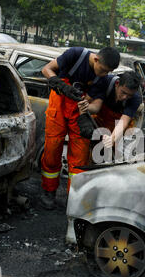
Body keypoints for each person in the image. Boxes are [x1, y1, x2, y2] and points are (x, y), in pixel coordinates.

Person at [39, 46, 120, 210]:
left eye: (108, 72)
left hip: (79, 113)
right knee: (52, 149)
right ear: (96, 59)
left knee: (79, 157)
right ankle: (49, 191)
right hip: (59, 105)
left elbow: (96, 105)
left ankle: (74, 196)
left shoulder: (102, 78)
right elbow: (47, 69)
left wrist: (85, 109)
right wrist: (58, 83)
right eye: (103, 70)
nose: (104, 74)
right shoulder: (75, 55)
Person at [77, 71, 142, 148]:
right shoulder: (105, 82)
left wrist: (112, 138)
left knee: (116, 148)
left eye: (129, 95)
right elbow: (88, 101)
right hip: (99, 118)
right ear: (117, 84)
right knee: (87, 141)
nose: (125, 97)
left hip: (118, 124)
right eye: (123, 92)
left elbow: (124, 120)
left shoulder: (136, 98)